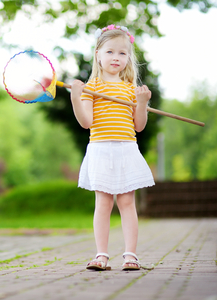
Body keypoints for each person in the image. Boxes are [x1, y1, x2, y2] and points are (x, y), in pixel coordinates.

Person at [70, 25, 155, 271]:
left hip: (126, 149)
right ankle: (101, 255)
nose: (115, 57)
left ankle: (131, 256)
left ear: (128, 58)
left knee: (127, 203)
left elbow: (139, 126)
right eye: (109, 52)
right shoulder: (92, 87)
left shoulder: (131, 89)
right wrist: (76, 97)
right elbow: (86, 122)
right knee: (103, 204)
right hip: (100, 150)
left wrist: (141, 103)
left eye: (122, 53)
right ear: (98, 54)